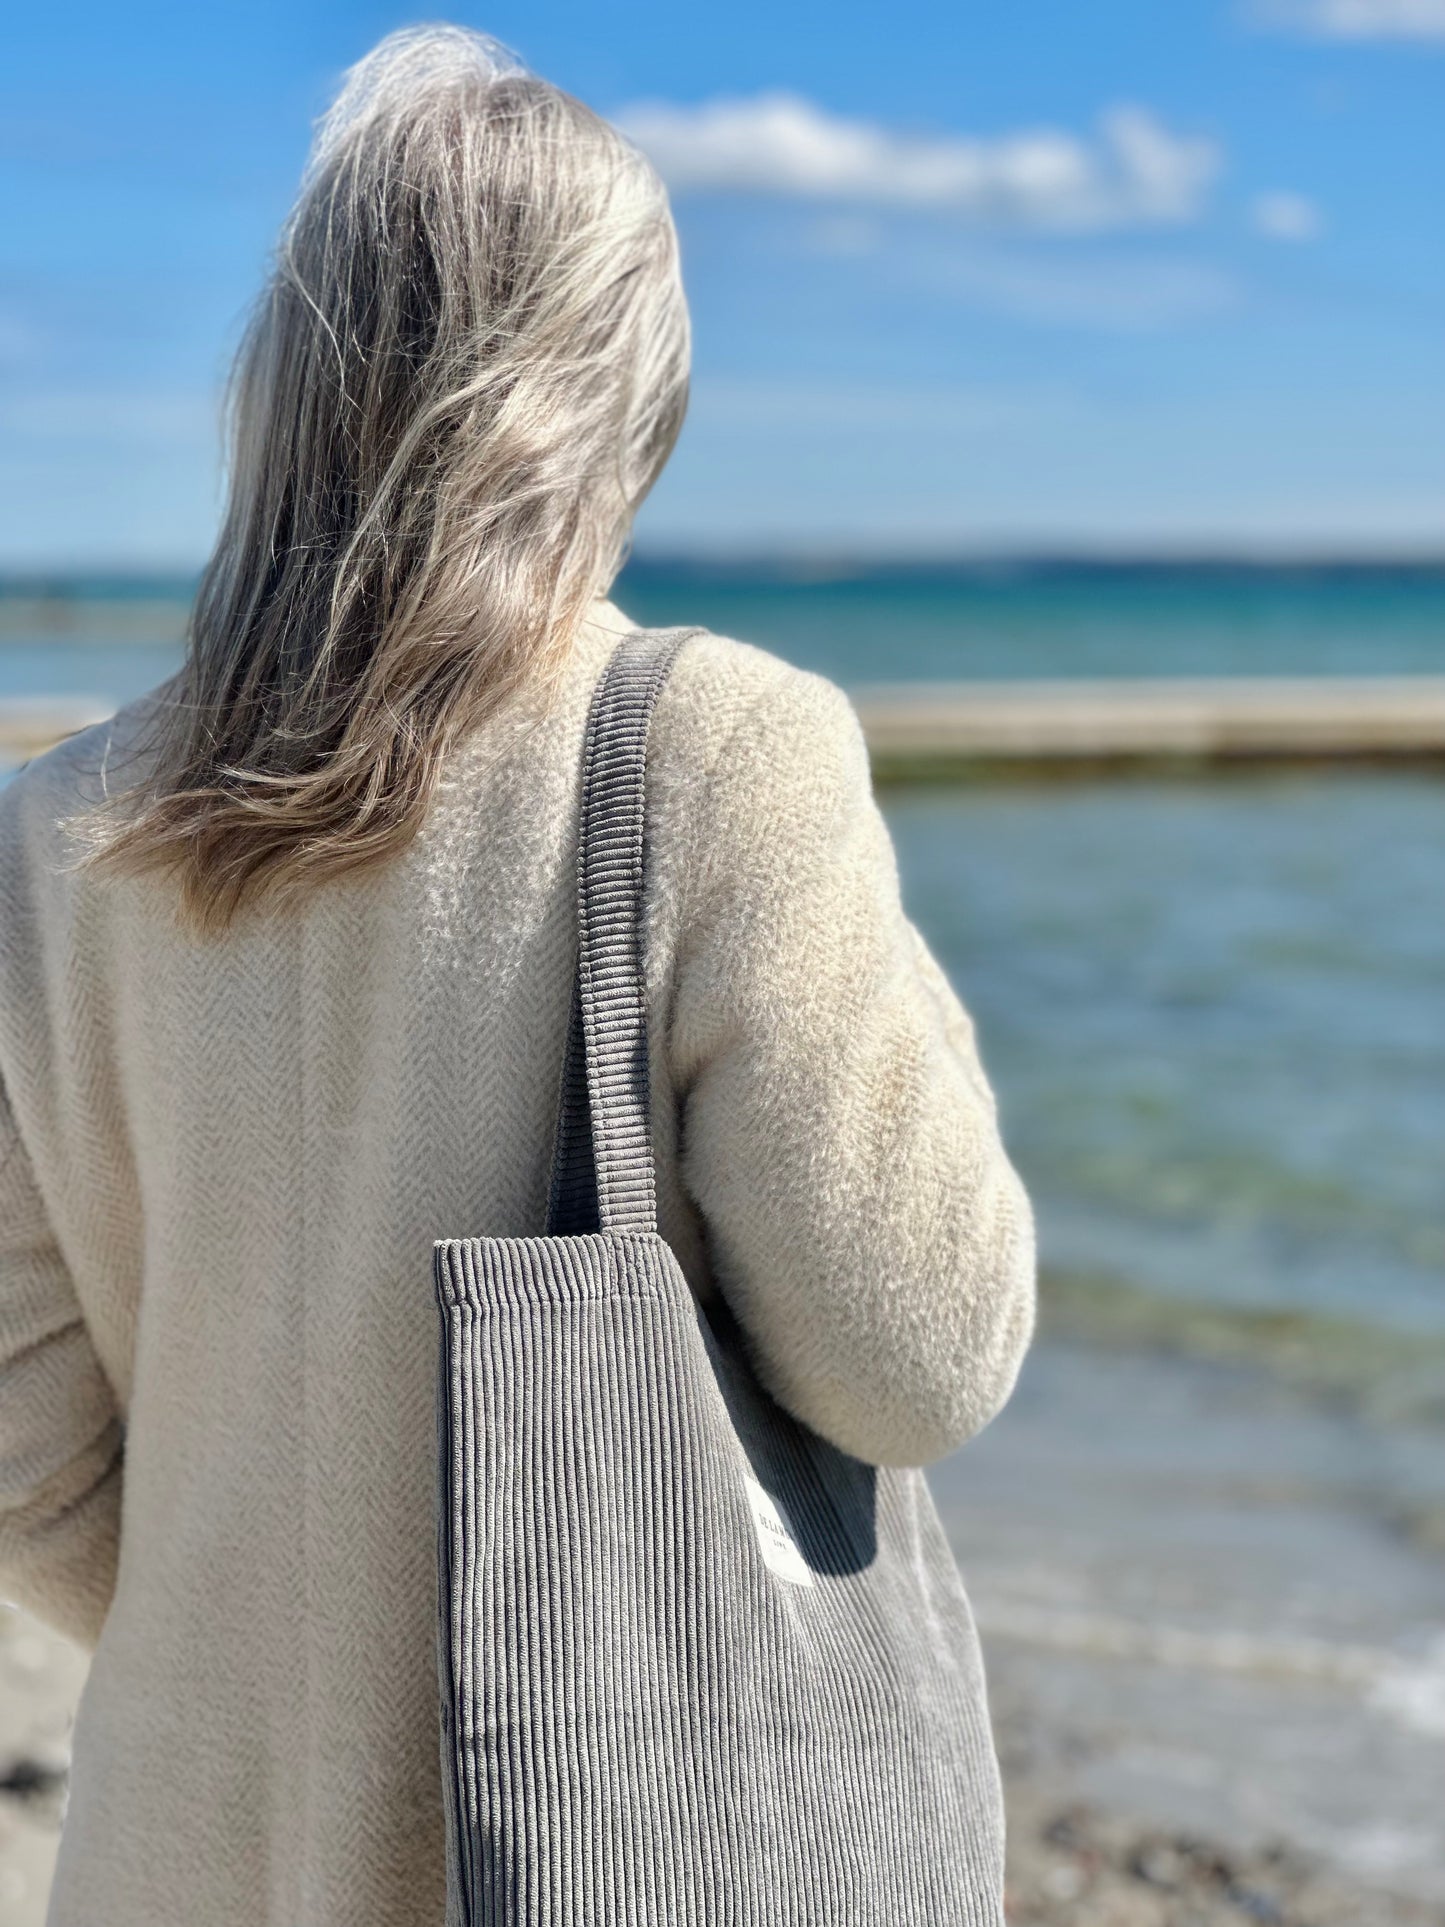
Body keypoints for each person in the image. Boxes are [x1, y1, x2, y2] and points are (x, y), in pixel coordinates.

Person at [0, 27, 1035, 1925]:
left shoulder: (48, 836)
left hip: (179, 1850)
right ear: (624, 394)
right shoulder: (713, 746)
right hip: (624, 1845)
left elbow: (19, 1445)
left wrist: (259, 1636)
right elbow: (918, 1358)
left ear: (283, 391)